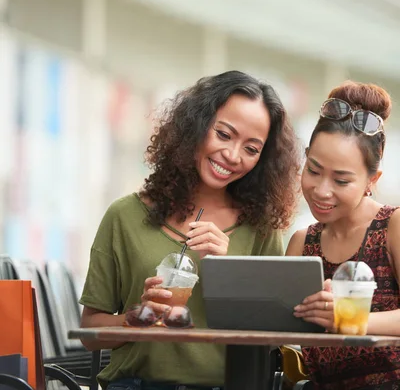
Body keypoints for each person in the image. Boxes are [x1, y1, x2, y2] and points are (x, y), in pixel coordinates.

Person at [79, 70, 301, 390]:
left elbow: (270, 340)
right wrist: (136, 319)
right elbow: (89, 333)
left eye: (251, 149)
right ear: (195, 127)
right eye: (224, 134)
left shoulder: (261, 230)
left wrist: (230, 273)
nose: (232, 155)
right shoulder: (124, 216)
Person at [286, 80, 400, 389]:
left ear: (371, 179)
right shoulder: (302, 242)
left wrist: (349, 320)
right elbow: (279, 326)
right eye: (313, 170)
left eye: (341, 180)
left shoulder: (393, 226)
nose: (321, 191)